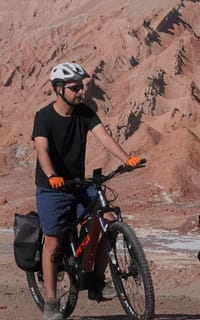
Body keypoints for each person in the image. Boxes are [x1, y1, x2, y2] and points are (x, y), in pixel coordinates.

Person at [32, 62, 142, 320]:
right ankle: (50, 301)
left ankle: (96, 282)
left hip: (80, 185)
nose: (81, 91)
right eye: (75, 88)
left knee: (108, 218)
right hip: (53, 189)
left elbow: (104, 137)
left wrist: (126, 159)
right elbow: (42, 151)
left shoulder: (85, 113)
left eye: (82, 87)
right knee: (54, 243)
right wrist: (52, 176)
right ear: (59, 89)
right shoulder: (43, 117)